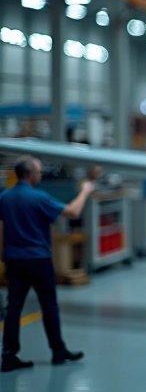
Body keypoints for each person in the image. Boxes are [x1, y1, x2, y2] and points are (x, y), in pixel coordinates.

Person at [0, 155, 94, 373]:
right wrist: (85, 192)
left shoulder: (5, 197)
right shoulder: (38, 198)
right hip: (38, 260)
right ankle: (58, 352)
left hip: (14, 260)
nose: (41, 175)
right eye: (39, 172)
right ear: (31, 174)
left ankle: (8, 355)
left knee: (13, 308)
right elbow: (73, 212)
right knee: (49, 306)